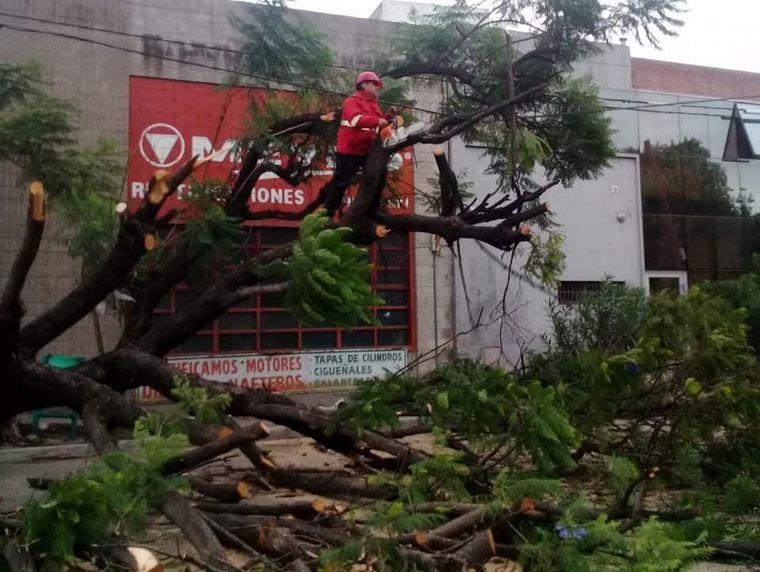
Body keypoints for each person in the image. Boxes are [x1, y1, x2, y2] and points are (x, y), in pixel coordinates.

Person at [322, 71, 396, 216]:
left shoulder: (373, 103)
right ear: (364, 84)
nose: (378, 88)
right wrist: (379, 121)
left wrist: (388, 116)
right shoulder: (351, 101)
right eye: (375, 84)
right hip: (349, 150)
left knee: (376, 175)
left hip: (365, 150)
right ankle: (328, 212)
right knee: (341, 182)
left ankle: (372, 209)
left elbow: (378, 123)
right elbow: (356, 120)